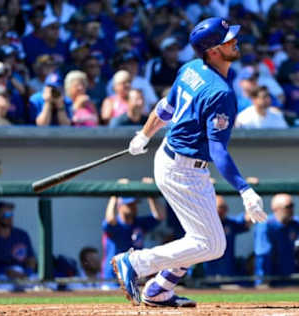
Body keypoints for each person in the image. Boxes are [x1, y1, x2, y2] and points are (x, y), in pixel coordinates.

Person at [112, 17, 266, 308]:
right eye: (228, 40)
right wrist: (245, 190)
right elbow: (218, 150)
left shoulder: (191, 68)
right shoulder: (220, 92)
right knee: (213, 244)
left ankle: (159, 290)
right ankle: (135, 262)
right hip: (183, 169)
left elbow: (165, 109)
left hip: (173, 161)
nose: (236, 41)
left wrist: (144, 135)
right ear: (213, 51)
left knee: (199, 239)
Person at [102, 178, 166, 281]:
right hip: (113, 278)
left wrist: (151, 194)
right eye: (129, 204)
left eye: (134, 204)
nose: (133, 207)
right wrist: (115, 193)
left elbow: (160, 216)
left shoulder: (139, 223)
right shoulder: (115, 224)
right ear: (120, 206)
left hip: (134, 277)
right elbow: (110, 219)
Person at [254, 194, 299, 286]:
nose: (291, 210)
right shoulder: (265, 225)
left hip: (291, 277)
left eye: (292, 206)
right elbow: (263, 254)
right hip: (271, 280)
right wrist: (263, 281)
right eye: (288, 207)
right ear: (276, 208)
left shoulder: (296, 223)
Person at [0, 201, 37, 281]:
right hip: (1, 276)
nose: (10, 217)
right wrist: (5, 272)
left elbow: (31, 259)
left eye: (11, 214)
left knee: (49, 284)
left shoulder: (22, 235)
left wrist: (27, 273)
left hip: (22, 273)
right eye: (7, 214)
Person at [203, 195, 253, 277]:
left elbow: (247, 220)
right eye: (221, 207)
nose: (224, 210)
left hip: (227, 271)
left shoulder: (229, 223)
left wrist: (251, 202)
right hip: (207, 272)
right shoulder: (203, 224)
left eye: (225, 207)